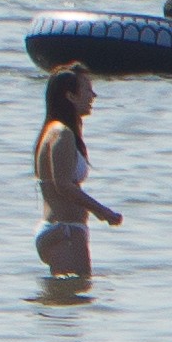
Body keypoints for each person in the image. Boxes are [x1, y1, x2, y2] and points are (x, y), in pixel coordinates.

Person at [30, 68, 118, 281]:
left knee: (63, 302)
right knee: (76, 300)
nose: (93, 96)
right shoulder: (62, 133)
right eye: (87, 90)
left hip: (60, 230)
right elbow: (63, 185)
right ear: (70, 96)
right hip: (65, 232)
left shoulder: (51, 131)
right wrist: (102, 211)